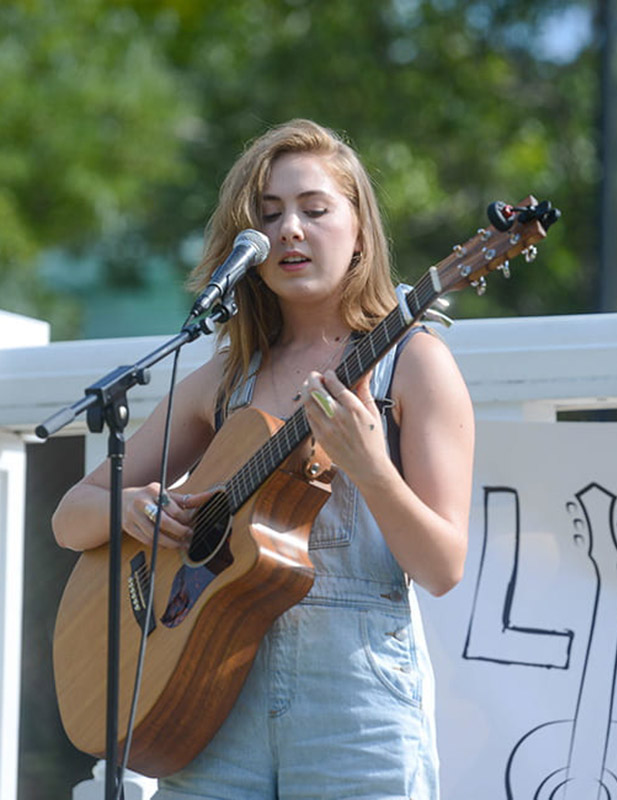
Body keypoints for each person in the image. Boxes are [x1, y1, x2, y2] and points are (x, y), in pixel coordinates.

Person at [52, 118, 475, 799]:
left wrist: (369, 465)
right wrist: (131, 509)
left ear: (360, 229)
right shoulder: (226, 378)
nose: (290, 232)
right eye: (268, 215)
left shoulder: (414, 367)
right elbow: (70, 519)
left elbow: (442, 566)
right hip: (210, 703)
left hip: (357, 708)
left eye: (315, 209)